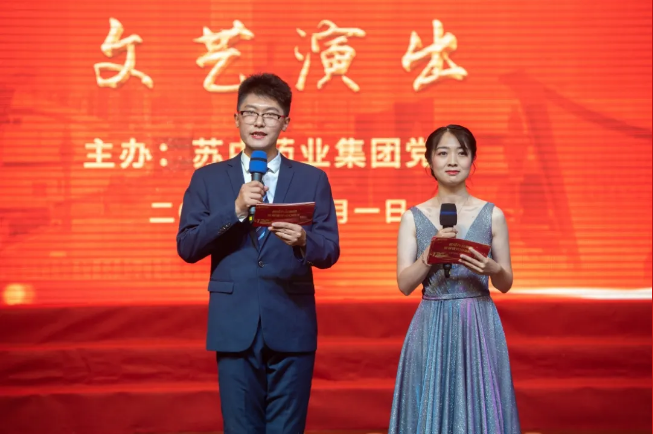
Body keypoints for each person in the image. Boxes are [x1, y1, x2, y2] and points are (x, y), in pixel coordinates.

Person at [176, 73, 340, 434]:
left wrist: (303, 240)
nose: (259, 122)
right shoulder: (207, 178)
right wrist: (235, 210)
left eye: (270, 114)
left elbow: (329, 251)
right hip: (234, 322)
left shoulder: (312, 178)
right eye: (250, 113)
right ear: (236, 119)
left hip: (291, 320)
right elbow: (187, 246)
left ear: (285, 123)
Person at [388, 124, 520, 433]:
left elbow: (506, 283)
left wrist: (493, 269)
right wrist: (428, 256)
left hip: (478, 320)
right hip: (431, 320)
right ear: (429, 161)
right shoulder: (412, 217)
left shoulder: (493, 215)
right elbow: (404, 285)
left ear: (472, 160)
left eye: (462, 153)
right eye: (443, 153)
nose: (452, 161)